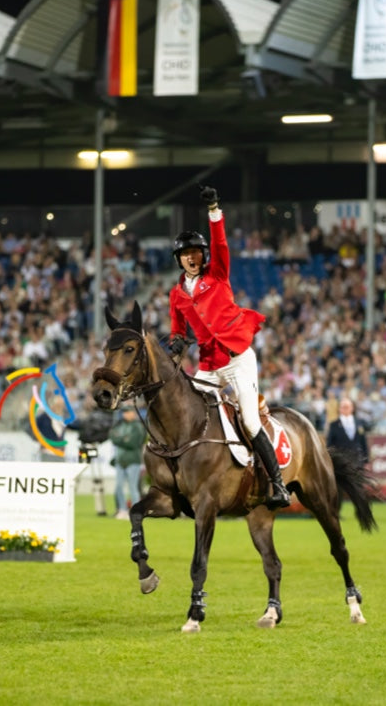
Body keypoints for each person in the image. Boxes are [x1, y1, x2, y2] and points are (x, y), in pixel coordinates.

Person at [167, 185, 290, 509]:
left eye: (196, 252)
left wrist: (214, 211)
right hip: (208, 366)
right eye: (186, 254)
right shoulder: (176, 295)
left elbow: (220, 242)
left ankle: (277, 483)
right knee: (187, 415)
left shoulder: (218, 273)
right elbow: (177, 330)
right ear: (179, 259)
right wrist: (175, 344)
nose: (192, 257)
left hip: (238, 360)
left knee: (249, 420)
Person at [108, 404, 147, 520]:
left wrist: (121, 439)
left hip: (133, 460)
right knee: (119, 487)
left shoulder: (138, 426)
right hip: (120, 460)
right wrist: (124, 439)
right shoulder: (120, 425)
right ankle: (122, 509)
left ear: (133, 413)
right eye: (124, 412)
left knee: (133, 487)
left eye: (128, 412)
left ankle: (135, 511)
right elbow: (113, 437)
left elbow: (134, 443)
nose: (125, 414)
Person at [327, 396, 369, 468]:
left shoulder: (360, 423)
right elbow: (330, 444)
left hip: (357, 461)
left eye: (347, 406)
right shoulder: (334, 425)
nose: (345, 409)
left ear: (352, 408)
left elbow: (363, 442)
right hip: (341, 462)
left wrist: (366, 461)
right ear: (339, 409)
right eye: (343, 407)